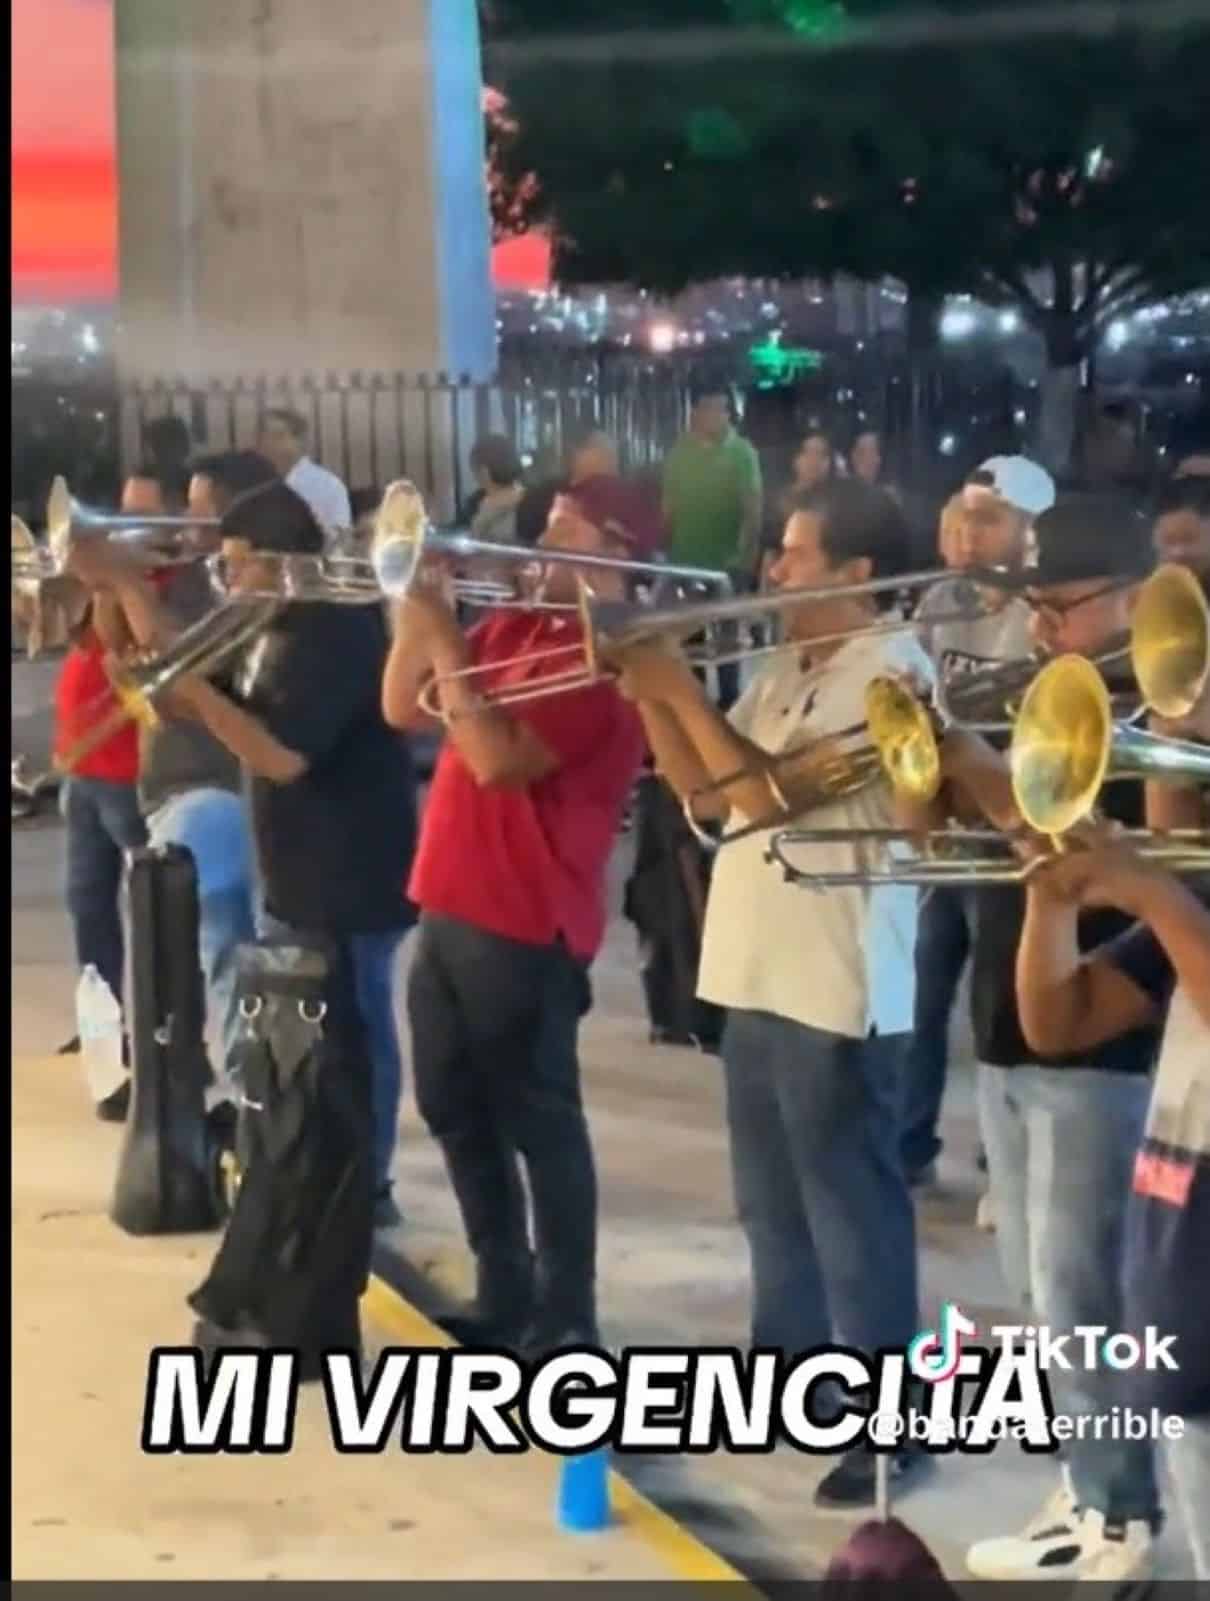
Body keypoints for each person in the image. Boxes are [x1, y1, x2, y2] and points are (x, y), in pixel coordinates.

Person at [613, 478, 937, 1510]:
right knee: (770, 1204)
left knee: (852, 1208)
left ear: (855, 574)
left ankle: (892, 1426)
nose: (773, 567)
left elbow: (767, 795)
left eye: (795, 553)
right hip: (754, 966)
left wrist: (681, 688)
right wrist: (657, 696)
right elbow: (709, 798)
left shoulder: (889, 670)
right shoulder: (785, 663)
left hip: (836, 977)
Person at [936, 497, 1166, 1582]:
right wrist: (941, 750)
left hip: (1107, 1041)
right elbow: (1006, 826)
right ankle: (1086, 1480)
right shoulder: (1050, 692)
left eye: (1061, 607)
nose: (1041, 629)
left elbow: (1079, 835)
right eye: (1034, 607)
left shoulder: (1166, 713)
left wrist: (970, 753)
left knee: (1083, 1294)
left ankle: (1118, 1508)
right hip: (1014, 1019)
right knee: (1038, 1285)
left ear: (1129, 601)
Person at [381, 474, 647, 1357]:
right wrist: (419, 613)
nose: (545, 535)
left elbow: (494, 757)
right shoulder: (512, 625)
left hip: (528, 920)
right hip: (449, 897)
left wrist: (445, 638)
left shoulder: (601, 660)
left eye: (571, 524)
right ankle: (504, 1285)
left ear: (618, 551)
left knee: (540, 1121)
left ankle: (569, 1311)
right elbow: (399, 705)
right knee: (452, 1103)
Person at [164, 480, 417, 1227]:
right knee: (314, 1035)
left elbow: (284, 758)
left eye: (239, 564)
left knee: (358, 1026)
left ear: (279, 559)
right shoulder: (272, 621)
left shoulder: (336, 629)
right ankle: (323, 1164)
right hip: (296, 864)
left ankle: (368, 1182)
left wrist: (202, 703)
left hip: (352, 865)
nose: (229, 580)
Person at [1013, 837, 1210, 1583]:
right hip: (1183, 1267)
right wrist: (1050, 898)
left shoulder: (1182, 899)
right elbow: (1059, 1020)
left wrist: (1155, 891)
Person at [65, 455, 278, 1085]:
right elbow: (132, 662)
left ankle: (247, 1100)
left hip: (212, 787)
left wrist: (126, 585)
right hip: (162, 785)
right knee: (155, 940)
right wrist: (107, 583)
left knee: (222, 949)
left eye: (195, 507)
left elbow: (185, 661)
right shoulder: (180, 578)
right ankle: (167, 1078)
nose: (181, 523)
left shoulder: (234, 589)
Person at [901, 455, 1055, 1190]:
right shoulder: (940, 598)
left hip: (1013, 828)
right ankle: (908, 1142)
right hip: (950, 825)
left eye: (988, 520)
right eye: (962, 517)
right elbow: (919, 700)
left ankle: (1004, 1158)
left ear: (1030, 532)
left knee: (1000, 996)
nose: (968, 533)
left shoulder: (1045, 612)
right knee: (922, 990)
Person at [52, 570, 147, 1108]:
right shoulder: (90, 596)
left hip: (123, 777)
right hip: (83, 775)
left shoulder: (135, 588)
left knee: (156, 917)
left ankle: (164, 1043)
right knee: (87, 907)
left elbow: (119, 646)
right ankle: (102, 1033)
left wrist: (109, 583)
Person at [662, 381, 763, 580]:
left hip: (726, 569)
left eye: (720, 409)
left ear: (729, 415)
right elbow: (667, 509)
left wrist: (744, 562)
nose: (713, 415)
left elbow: (753, 512)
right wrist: (666, 551)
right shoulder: (679, 452)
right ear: (695, 413)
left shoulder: (742, 453)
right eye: (707, 408)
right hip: (681, 564)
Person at [256, 406, 352, 537]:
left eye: (278, 436)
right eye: (264, 437)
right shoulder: (253, 483)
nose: (268, 442)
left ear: (299, 441)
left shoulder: (328, 486)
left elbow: (340, 538)